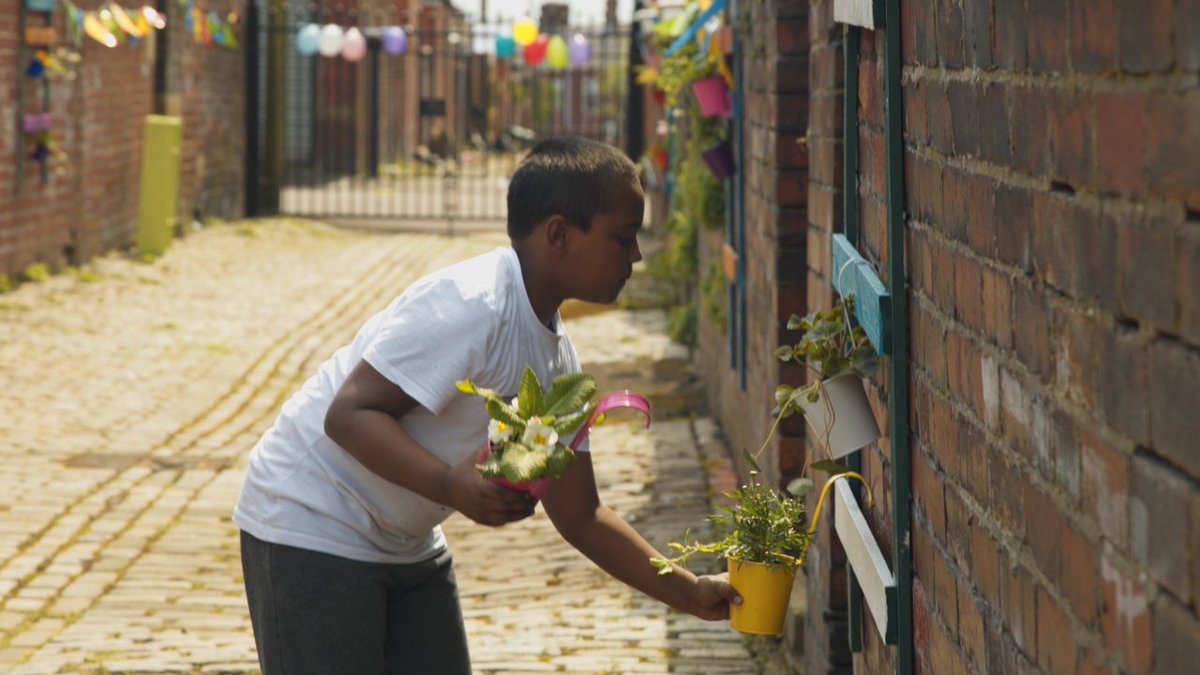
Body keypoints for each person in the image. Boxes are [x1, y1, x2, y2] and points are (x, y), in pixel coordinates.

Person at [233, 136, 741, 674]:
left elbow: (582, 515)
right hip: (309, 519)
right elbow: (350, 415)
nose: (637, 255)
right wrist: (452, 486)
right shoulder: (471, 305)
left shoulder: (557, 361)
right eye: (623, 237)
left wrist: (689, 592)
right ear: (559, 234)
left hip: (406, 544)